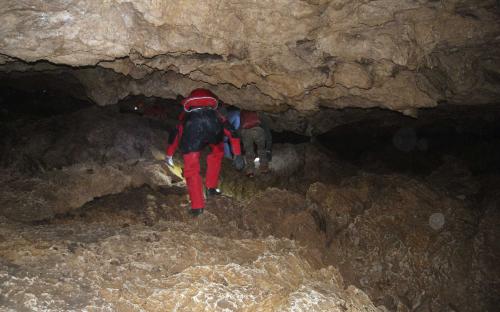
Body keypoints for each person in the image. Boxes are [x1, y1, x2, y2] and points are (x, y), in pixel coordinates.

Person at [165, 89, 244, 216]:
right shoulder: (216, 114)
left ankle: (197, 207)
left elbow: (176, 133)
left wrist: (169, 155)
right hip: (213, 125)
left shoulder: (186, 115)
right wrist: (237, 154)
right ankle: (211, 189)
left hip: (192, 127)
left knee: (191, 168)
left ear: (190, 101)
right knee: (217, 152)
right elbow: (231, 132)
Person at [239, 109, 272, 177]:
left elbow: (239, 127)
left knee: (248, 151)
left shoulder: (241, 114)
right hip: (257, 130)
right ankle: (264, 167)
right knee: (261, 149)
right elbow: (266, 130)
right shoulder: (257, 113)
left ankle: (250, 170)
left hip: (246, 131)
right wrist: (268, 148)